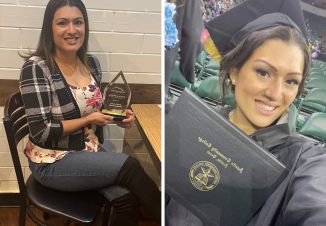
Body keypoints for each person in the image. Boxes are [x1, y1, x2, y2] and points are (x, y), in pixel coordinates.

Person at [166, 0, 326, 225]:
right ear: (234, 70)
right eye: (263, 72)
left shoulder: (305, 162)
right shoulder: (191, 123)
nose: (275, 93)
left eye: (291, 81)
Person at [18, 1, 161, 226]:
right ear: (49, 28)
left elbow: (95, 111)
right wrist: (87, 120)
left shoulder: (90, 63)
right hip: (52, 160)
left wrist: (118, 118)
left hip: (87, 149)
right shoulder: (37, 68)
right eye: (62, 23)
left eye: (78, 22)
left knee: (126, 200)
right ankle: (169, 217)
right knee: (130, 165)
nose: (72, 30)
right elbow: (41, 132)